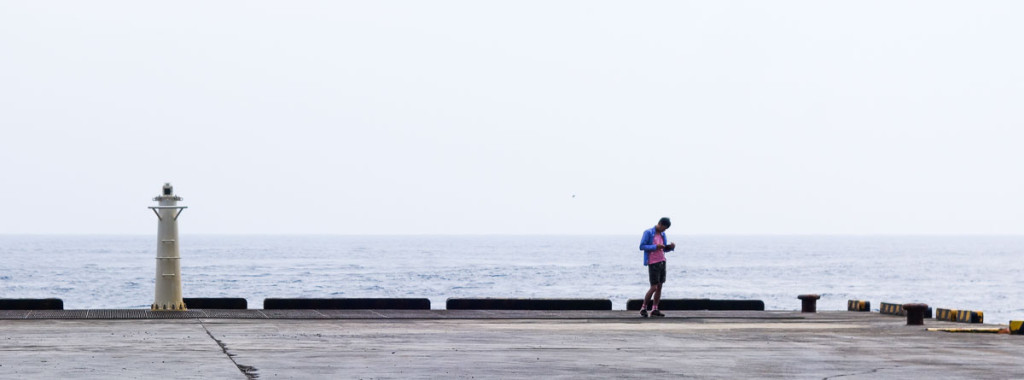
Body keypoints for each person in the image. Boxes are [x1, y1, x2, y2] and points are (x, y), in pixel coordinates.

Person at [638, 217, 675, 317]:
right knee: (653, 287)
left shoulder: (663, 234)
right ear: (660, 224)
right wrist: (655, 247)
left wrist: (670, 248)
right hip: (653, 262)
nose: (664, 230)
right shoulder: (648, 232)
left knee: (659, 286)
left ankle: (655, 309)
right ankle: (643, 307)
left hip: (662, 261)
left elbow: (663, 249)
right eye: (664, 227)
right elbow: (642, 246)